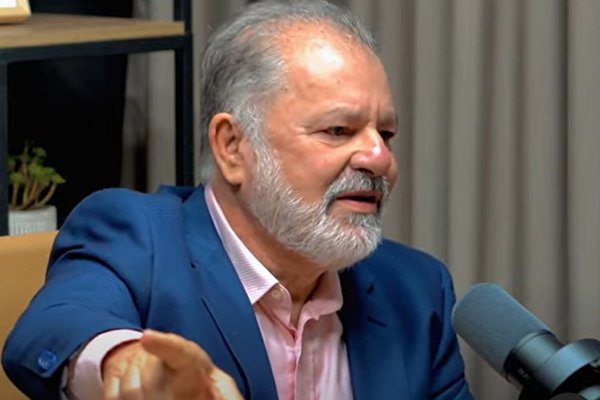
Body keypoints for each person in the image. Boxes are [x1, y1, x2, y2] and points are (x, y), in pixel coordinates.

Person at [2, 1, 474, 399]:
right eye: (338, 130)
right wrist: (124, 362)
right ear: (232, 146)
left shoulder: (415, 291)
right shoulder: (138, 241)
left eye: (385, 134)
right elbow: (50, 328)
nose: (379, 158)